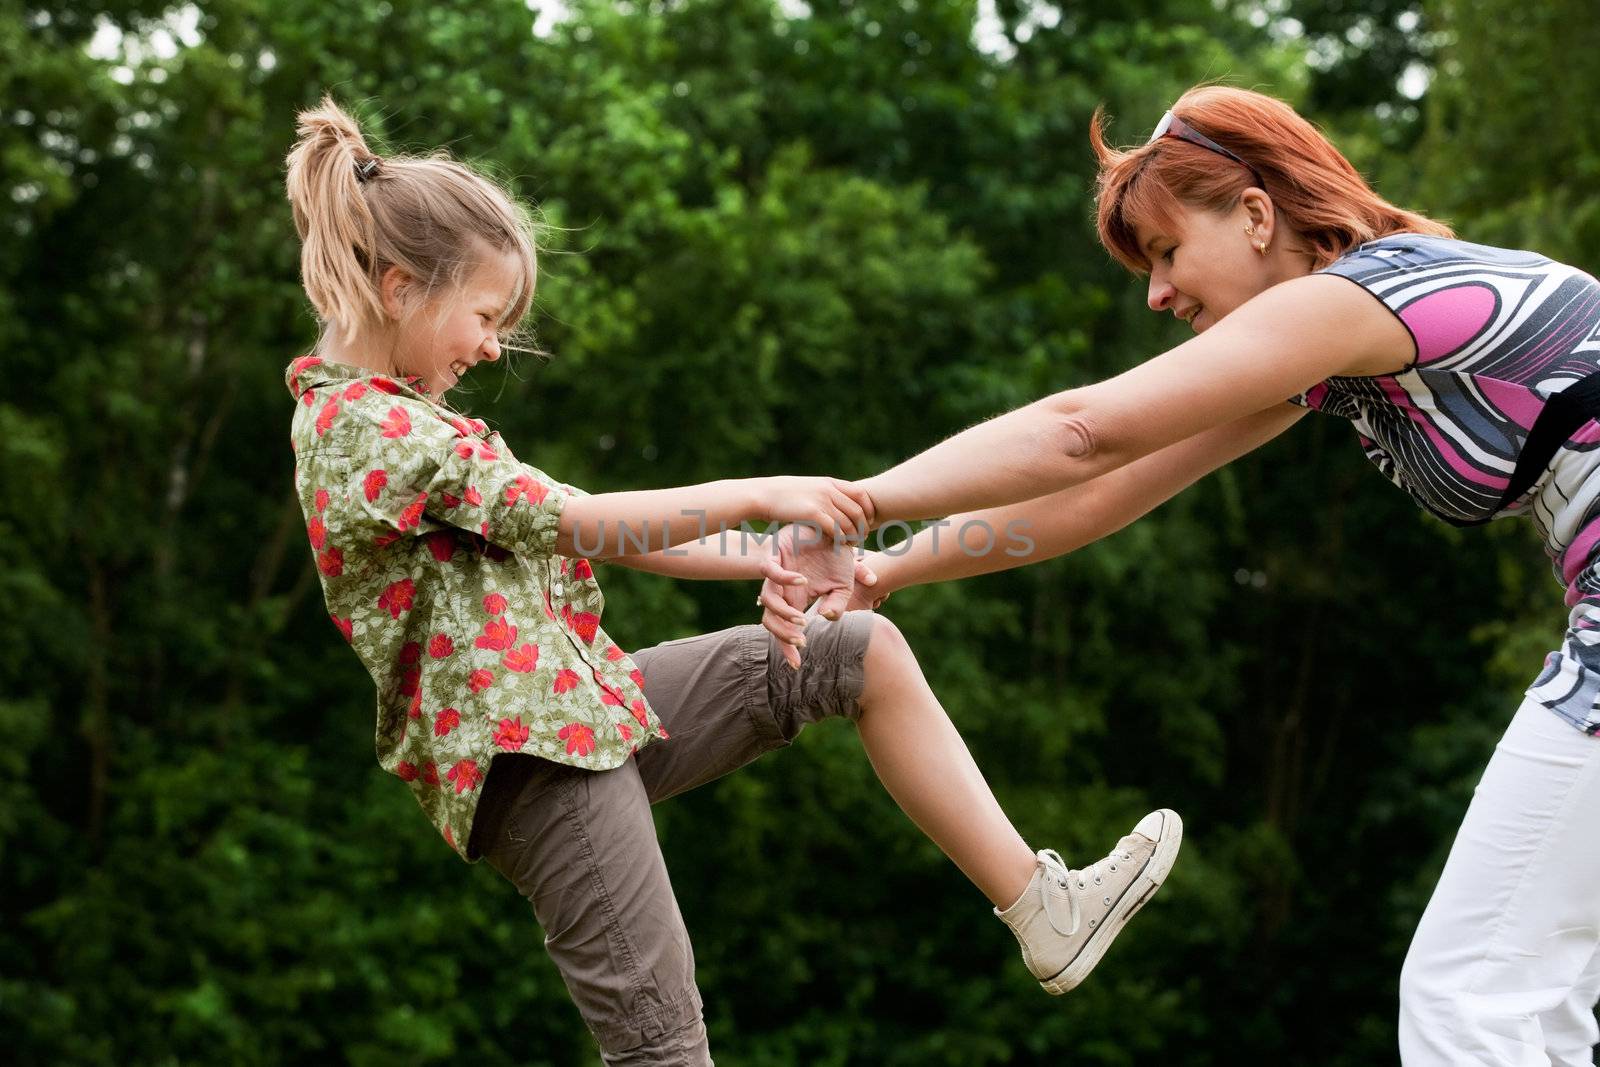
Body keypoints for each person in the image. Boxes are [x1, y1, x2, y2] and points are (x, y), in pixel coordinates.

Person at [281, 97, 1181, 1065]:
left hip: (589, 708)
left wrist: (769, 555)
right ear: (398, 286)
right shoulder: (362, 429)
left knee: (855, 653)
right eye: (486, 315)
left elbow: (583, 519)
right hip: (533, 764)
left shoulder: (418, 424)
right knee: (663, 1043)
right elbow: (584, 521)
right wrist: (761, 489)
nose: (492, 345)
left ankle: (1041, 906)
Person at [762, 83, 1600, 1066]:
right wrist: (885, 569)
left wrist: (849, 500)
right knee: (1517, 994)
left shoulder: (1373, 294)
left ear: (1254, 215)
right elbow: (1097, 491)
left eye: (1164, 250)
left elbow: (1080, 431)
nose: (1155, 293)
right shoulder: (1341, 349)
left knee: (1474, 997)